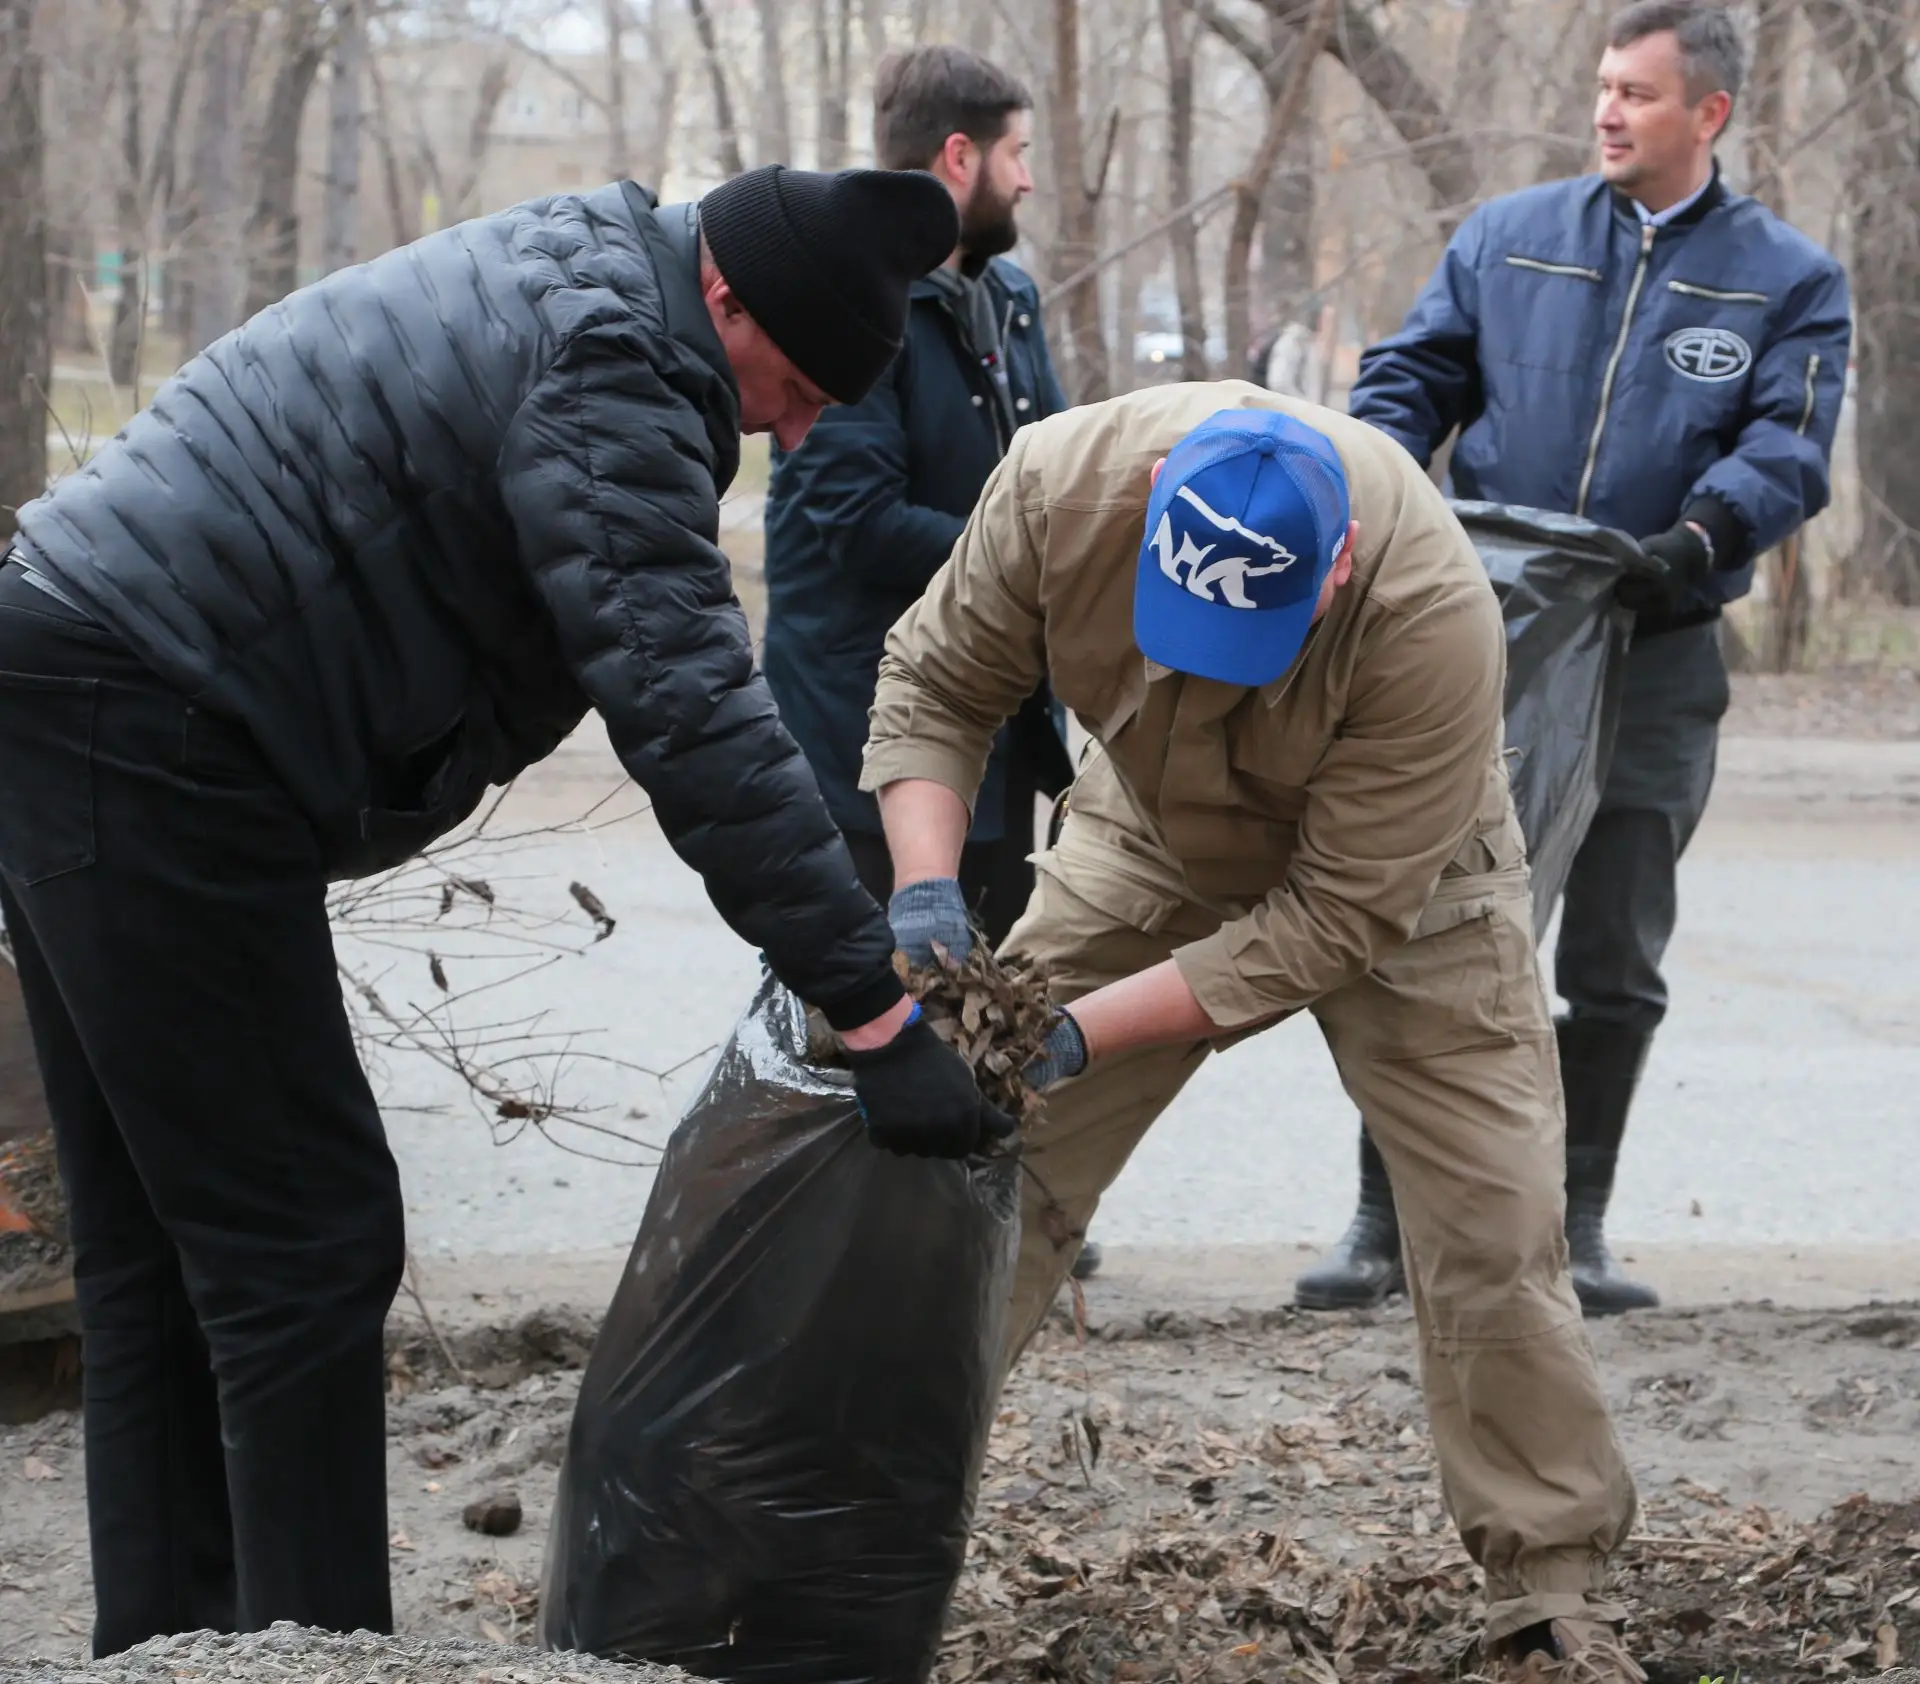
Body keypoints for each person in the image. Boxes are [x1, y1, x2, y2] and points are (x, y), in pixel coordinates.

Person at [0, 164, 1013, 1657]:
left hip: (82, 672)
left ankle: (173, 1651)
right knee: (305, 1242)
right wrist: (867, 1004)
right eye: (794, 388)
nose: (792, 431)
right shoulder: (616, 364)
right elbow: (688, 708)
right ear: (726, 295)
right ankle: (310, 1659)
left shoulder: (582, 282)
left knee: (162, 1239)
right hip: (153, 721)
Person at [861, 382, 1647, 1683]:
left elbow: (1332, 918)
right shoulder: (1059, 486)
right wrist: (925, 890)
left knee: (1494, 1224)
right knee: (988, 1162)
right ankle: (862, 1515)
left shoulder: (1433, 613)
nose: (1209, 664)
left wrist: (1072, 1033)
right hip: (1146, 831)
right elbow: (937, 684)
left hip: (1408, 888)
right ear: (1154, 498)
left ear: (1337, 567)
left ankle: (1548, 1586)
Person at [1305, 0, 1851, 1317]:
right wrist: (1384, 482)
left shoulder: (1789, 278)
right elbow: (1409, 379)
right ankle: (1385, 1222)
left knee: (1614, 952)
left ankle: (1576, 1226)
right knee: (1436, 923)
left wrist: (1699, 536)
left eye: (1637, 94)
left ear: (1709, 114)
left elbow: (1787, 448)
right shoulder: (1509, 237)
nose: (1607, 111)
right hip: (1492, 638)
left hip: (1659, 644)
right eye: (1603, 87)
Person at [760, 48, 1097, 1282]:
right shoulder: (857, 298)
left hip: (996, 716)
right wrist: (1033, 558)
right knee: (856, 994)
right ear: (959, 158)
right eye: (1017, 155)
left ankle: (959, 1216)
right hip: (865, 724)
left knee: (983, 972)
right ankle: (817, 1231)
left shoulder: (1007, 301)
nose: (1029, 180)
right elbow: (853, 521)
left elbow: (1045, 479)